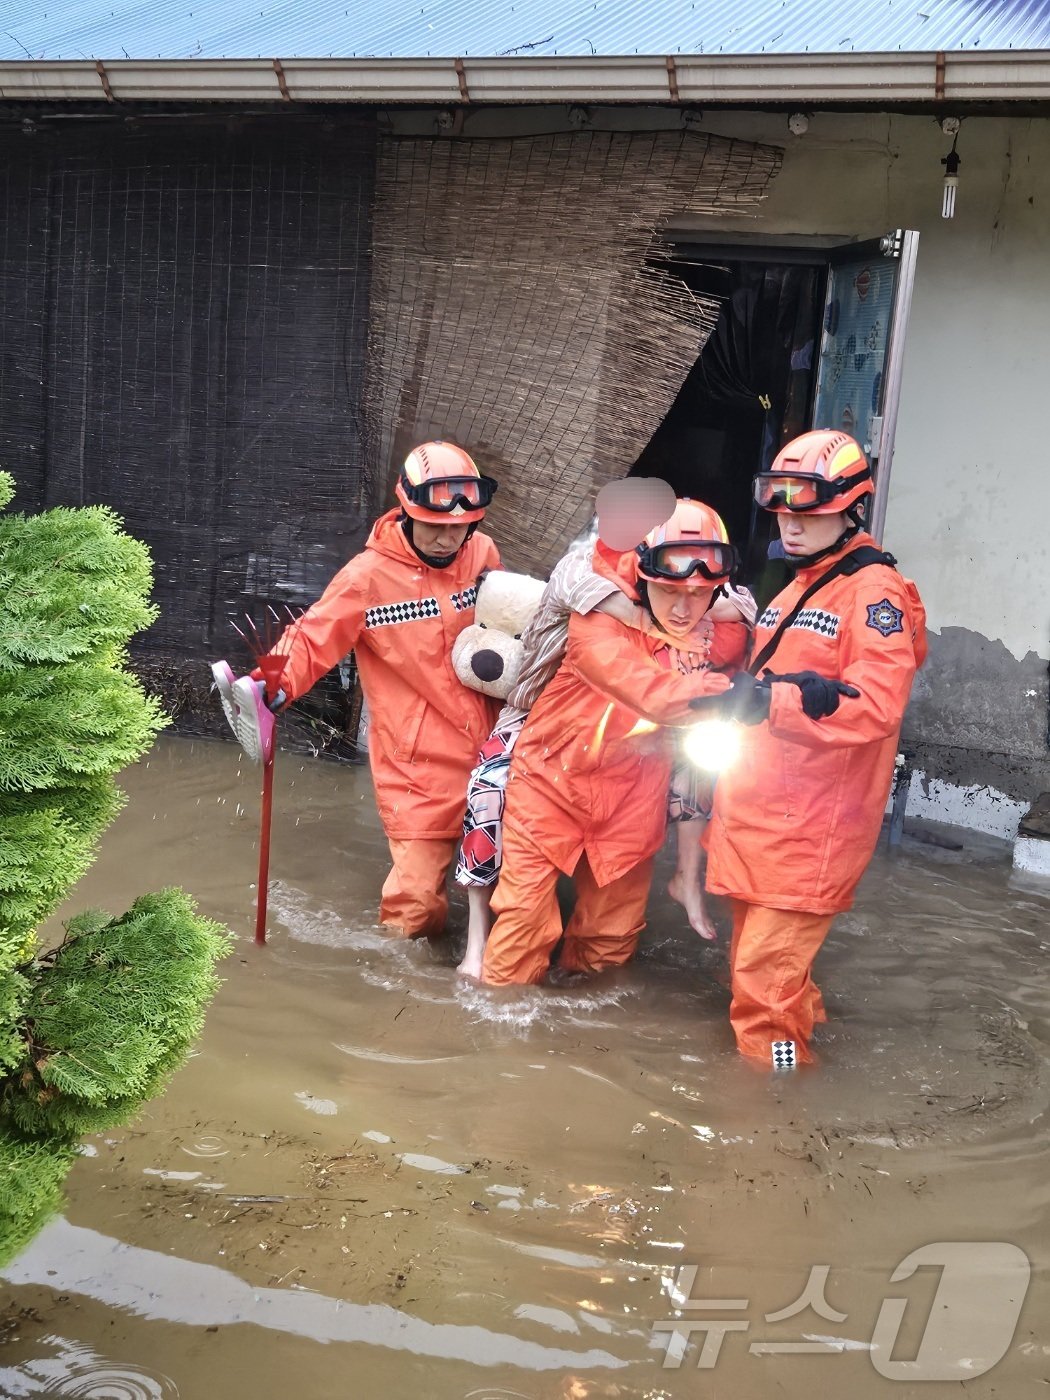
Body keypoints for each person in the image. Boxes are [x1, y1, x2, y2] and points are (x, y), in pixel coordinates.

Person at [701, 429, 927, 1069]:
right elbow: (769, 674)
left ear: (850, 507)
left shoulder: (871, 592)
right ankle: (797, 1069)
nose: (792, 525)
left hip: (809, 832)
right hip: (764, 822)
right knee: (764, 976)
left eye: (811, 511)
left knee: (763, 1000)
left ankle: (778, 1109)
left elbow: (876, 704)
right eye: (783, 509)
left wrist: (772, 701)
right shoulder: (802, 584)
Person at [214, 441, 502, 940]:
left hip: (493, 748)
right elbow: (312, 635)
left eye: (458, 529)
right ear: (408, 513)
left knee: (511, 890)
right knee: (414, 908)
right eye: (435, 526)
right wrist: (270, 685)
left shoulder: (483, 555)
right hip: (418, 762)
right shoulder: (367, 577)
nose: (446, 539)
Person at [454, 515, 754, 978]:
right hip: (552, 781)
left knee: (610, 945)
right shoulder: (595, 614)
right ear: (643, 576)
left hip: (635, 790)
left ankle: (587, 1043)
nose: (682, 608)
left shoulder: (723, 627)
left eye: (697, 595)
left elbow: (757, 630)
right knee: (519, 934)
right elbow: (632, 681)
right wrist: (726, 700)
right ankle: (488, 993)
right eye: (670, 591)